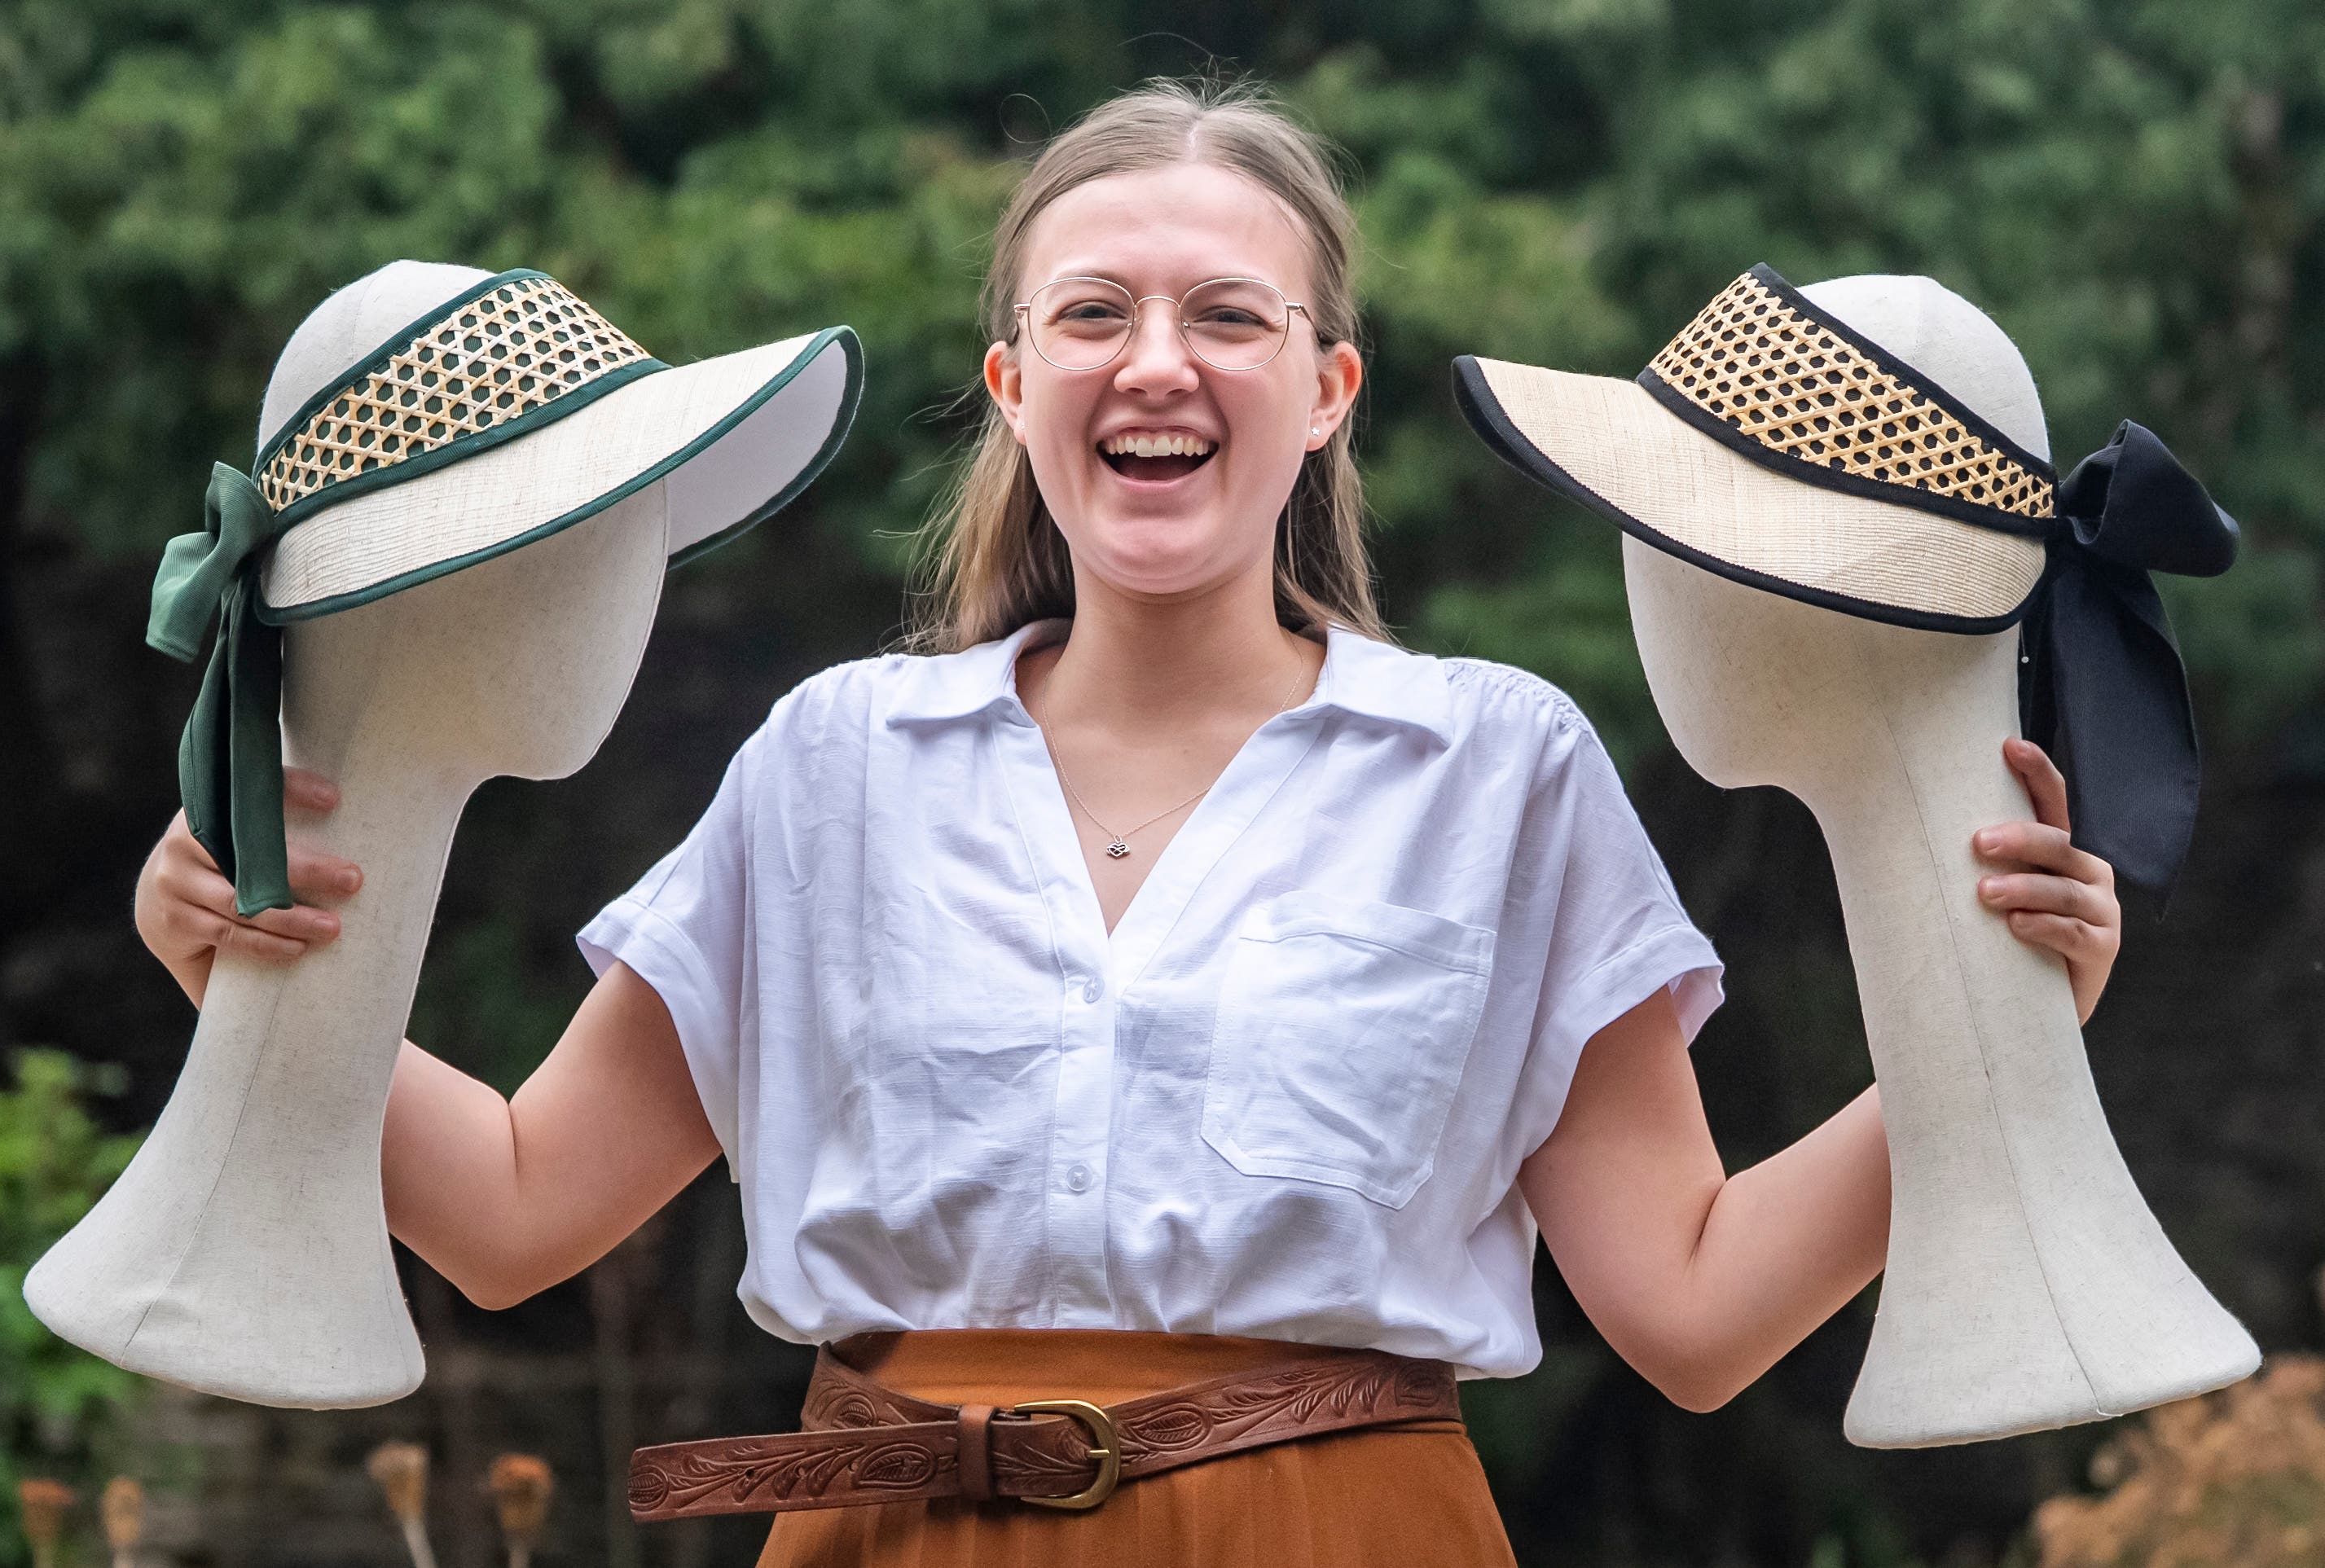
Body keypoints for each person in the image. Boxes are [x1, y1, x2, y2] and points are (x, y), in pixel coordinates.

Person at [132, 79, 2122, 1566]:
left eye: (1228, 319)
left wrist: (2005, 1027)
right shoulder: (829, 764)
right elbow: (504, 1212)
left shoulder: (1497, 767)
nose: (1156, 361)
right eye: (1093, 315)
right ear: (1014, 383)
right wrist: (241, 984)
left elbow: (1688, 1311)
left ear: (1324, 389)